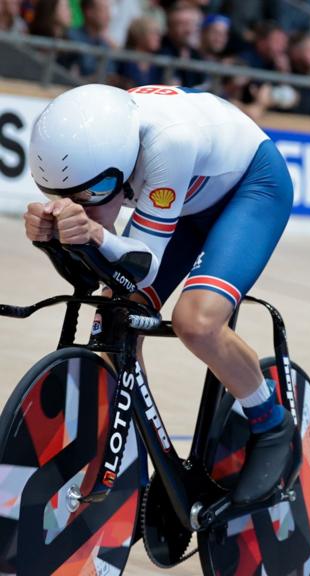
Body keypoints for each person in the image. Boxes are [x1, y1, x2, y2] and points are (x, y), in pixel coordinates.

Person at [24, 84, 295, 505]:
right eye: (62, 197)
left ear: (120, 164)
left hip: (250, 189)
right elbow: (106, 272)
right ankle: (141, 463)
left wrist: (94, 233)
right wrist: (53, 238)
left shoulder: (167, 142)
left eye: (93, 194)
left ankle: (271, 421)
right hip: (179, 202)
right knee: (113, 322)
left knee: (197, 322)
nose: (83, 207)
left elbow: (145, 261)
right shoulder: (96, 148)